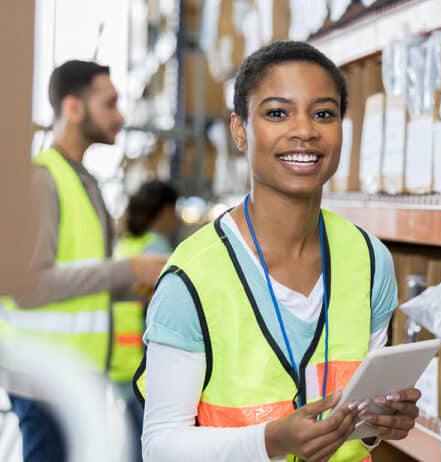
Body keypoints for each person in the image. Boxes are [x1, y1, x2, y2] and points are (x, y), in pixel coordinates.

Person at [135, 41, 421, 462]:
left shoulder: (368, 259)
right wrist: (271, 441)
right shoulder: (192, 278)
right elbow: (160, 447)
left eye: (324, 113)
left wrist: (380, 422)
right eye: (277, 113)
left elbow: (361, 417)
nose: (304, 129)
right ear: (239, 130)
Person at [3, 60, 167, 462]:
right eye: (109, 103)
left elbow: (82, 280)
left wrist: (140, 287)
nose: (120, 115)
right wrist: (129, 269)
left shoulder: (85, 181)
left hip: (74, 376)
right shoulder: (41, 181)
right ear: (73, 108)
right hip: (44, 380)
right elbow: (28, 286)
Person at [111, 180, 180, 460]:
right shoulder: (156, 250)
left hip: (117, 360)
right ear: (164, 211)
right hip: (143, 366)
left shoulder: (126, 245)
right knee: (152, 449)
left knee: (133, 444)